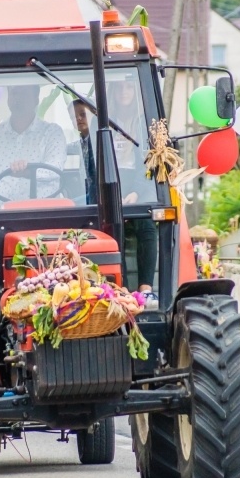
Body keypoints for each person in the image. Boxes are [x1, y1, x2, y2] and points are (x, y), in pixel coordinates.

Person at [0, 85, 67, 209]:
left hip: (46, 214)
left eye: (23, 93)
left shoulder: (52, 132)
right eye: (14, 93)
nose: (17, 98)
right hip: (2, 216)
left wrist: (29, 172)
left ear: (36, 98)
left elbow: (55, 170)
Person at [106, 80, 159, 309]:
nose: (124, 92)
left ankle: (146, 288)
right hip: (111, 184)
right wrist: (113, 194)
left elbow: (148, 165)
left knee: (146, 224)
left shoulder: (145, 124)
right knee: (113, 227)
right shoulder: (103, 122)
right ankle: (123, 288)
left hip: (141, 183)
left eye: (128, 87)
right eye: (119, 87)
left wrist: (136, 192)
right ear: (112, 90)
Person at [67, 99, 96, 203]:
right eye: (73, 117)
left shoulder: (99, 140)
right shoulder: (81, 142)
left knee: (69, 206)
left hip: (98, 194)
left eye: (83, 114)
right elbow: (63, 148)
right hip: (86, 190)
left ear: (94, 114)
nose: (78, 118)